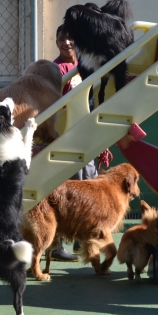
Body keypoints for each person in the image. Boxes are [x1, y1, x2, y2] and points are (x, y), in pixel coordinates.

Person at [49, 25, 98, 262]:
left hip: (85, 134)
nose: (66, 43)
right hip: (66, 136)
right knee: (62, 190)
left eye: (70, 38)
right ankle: (56, 244)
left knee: (88, 183)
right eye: (61, 39)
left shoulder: (86, 65)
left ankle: (82, 238)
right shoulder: (56, 69)